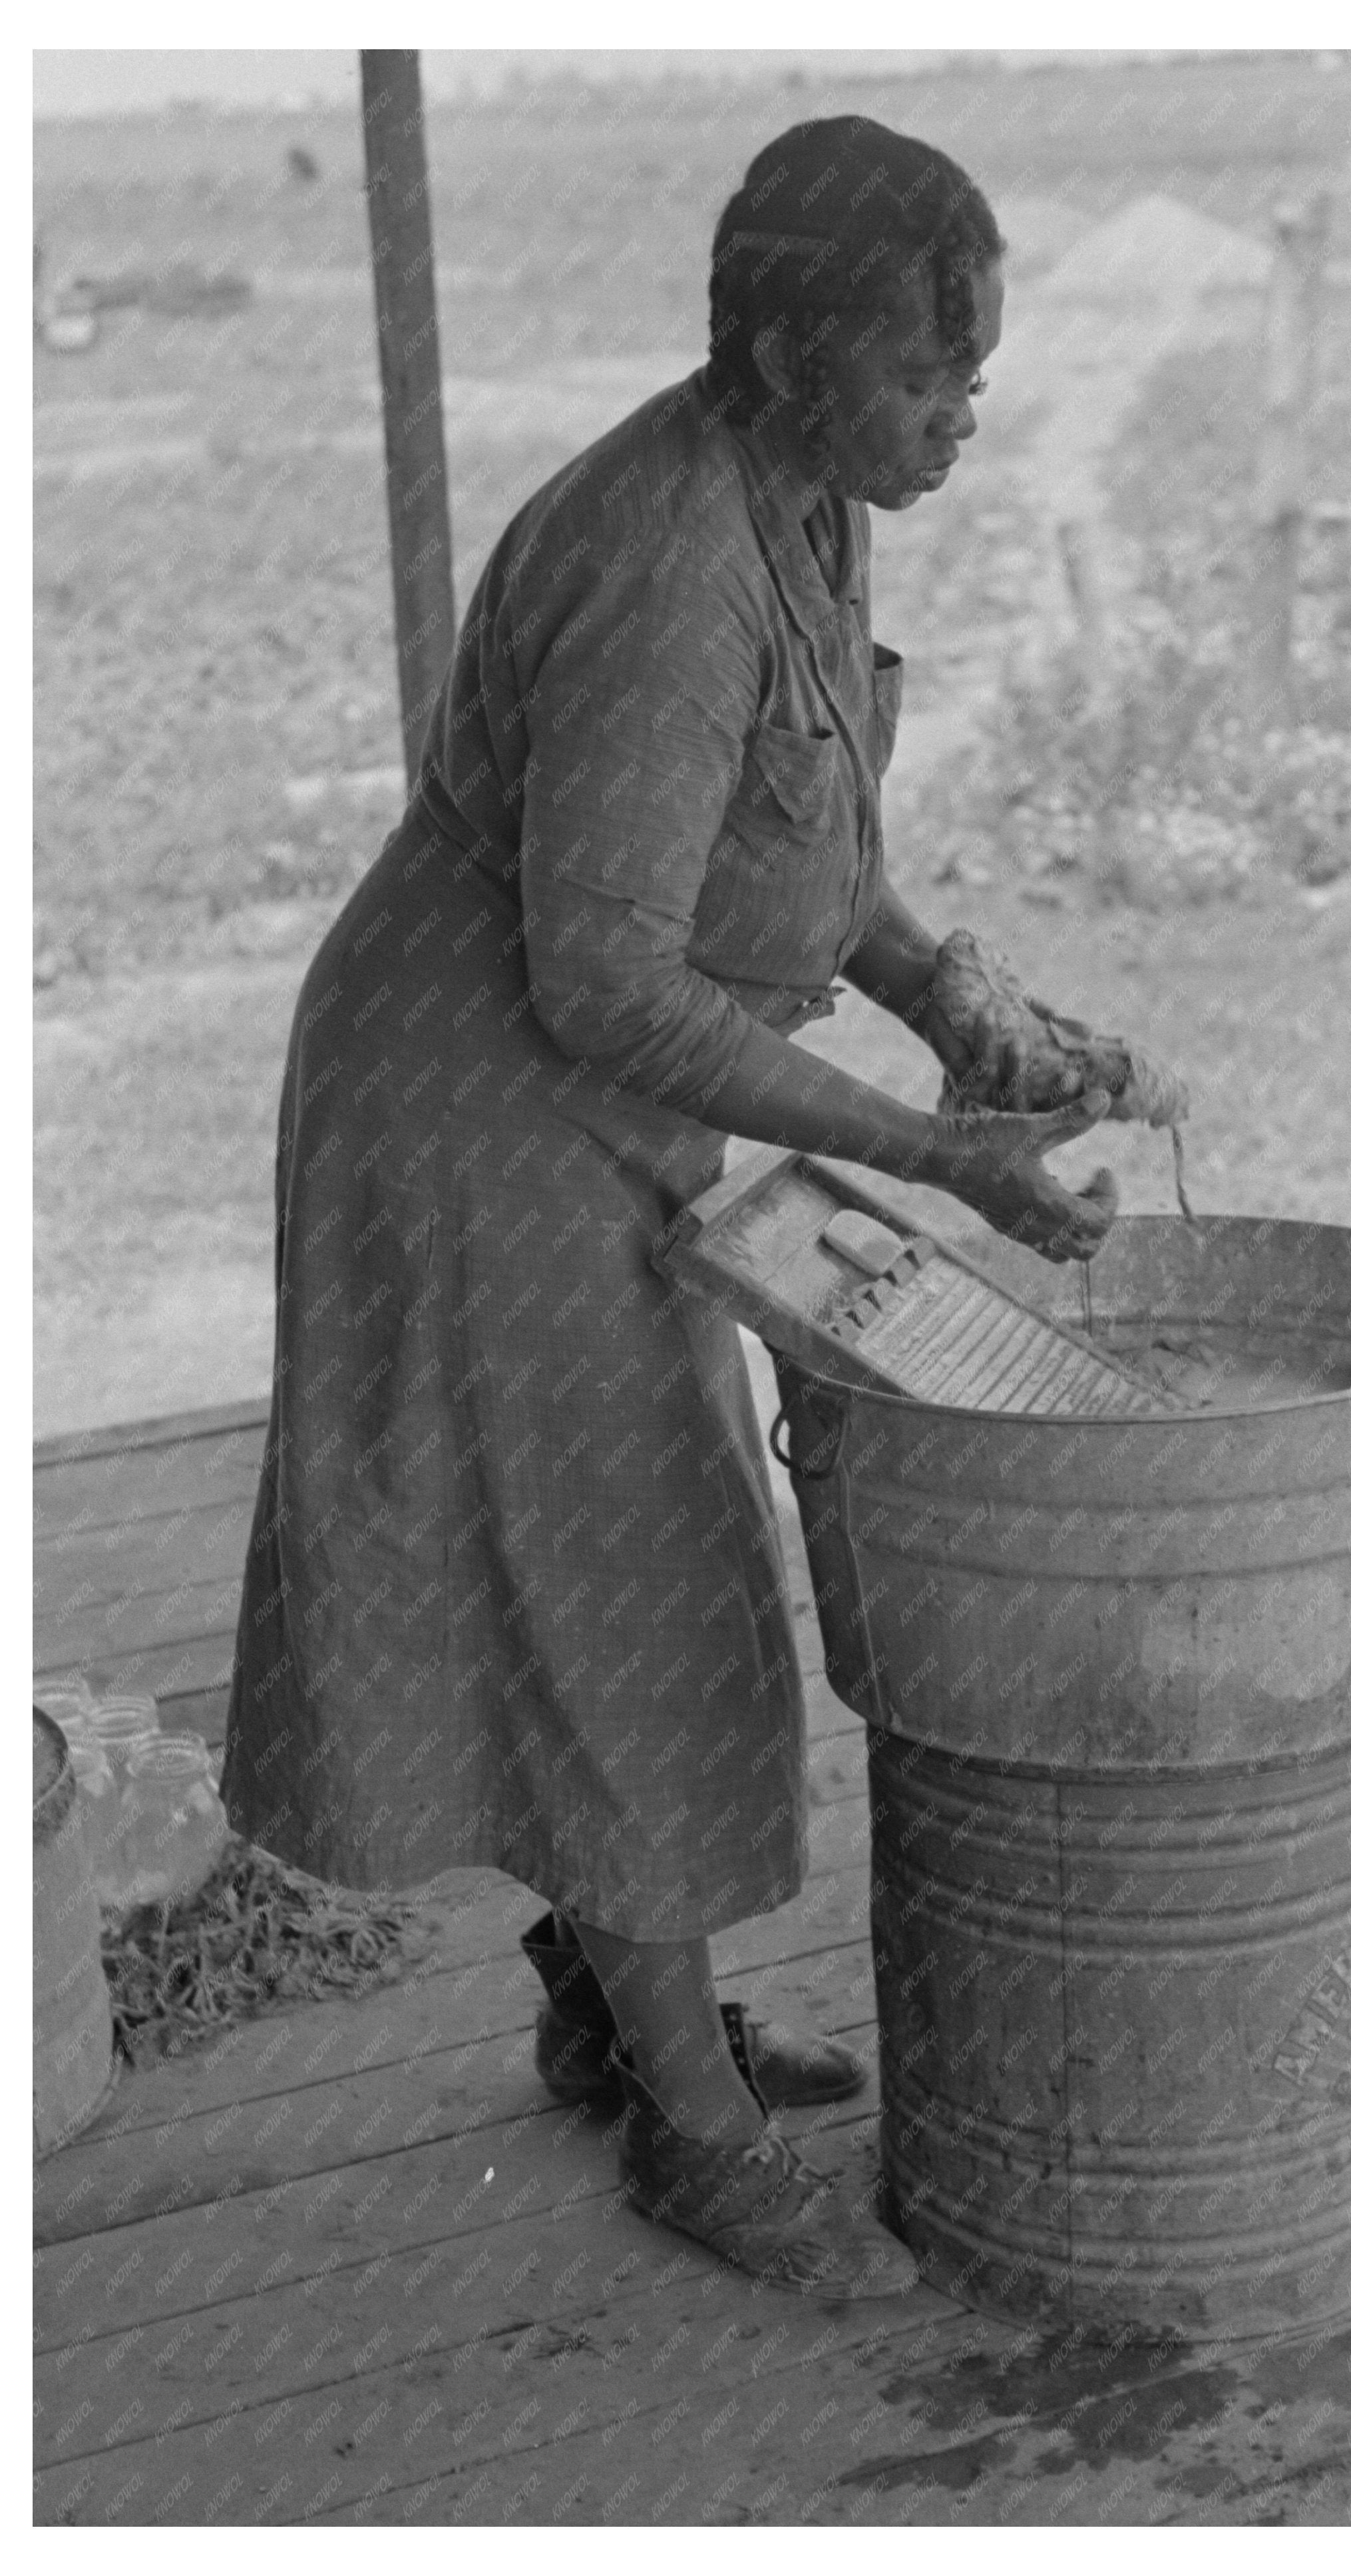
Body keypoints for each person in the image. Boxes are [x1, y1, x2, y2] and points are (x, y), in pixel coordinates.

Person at [223, 116, 1185, 2300]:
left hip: (571, 1095)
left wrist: (952, 998)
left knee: (608, 1574)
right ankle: (690, 2123)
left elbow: (806, 845)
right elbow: (605, 981)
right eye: (923, 375)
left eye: (974, 372)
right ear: (778, 354)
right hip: (472, 1116)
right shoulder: (668, 563)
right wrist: (929, 1150)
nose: (960, 414)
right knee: (620, 1591)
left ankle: (612, 2005)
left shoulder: (803, 499)